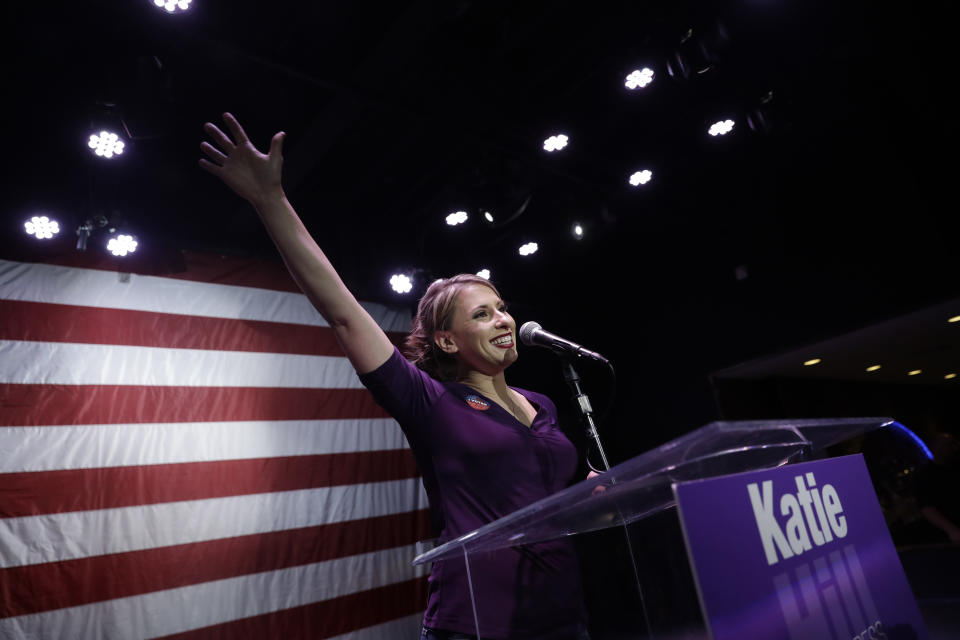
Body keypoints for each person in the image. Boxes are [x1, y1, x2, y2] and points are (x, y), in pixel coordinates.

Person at [200, 113, 589, 639]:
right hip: (476, 624)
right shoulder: (428, 402)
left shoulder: (542, 404)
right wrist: (272, 201)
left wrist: (606, 492)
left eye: (501, 308)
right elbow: (340, 310)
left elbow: (568, 497)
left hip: (564, 620)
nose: (502, 319)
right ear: (447, 340)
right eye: (481, 314)